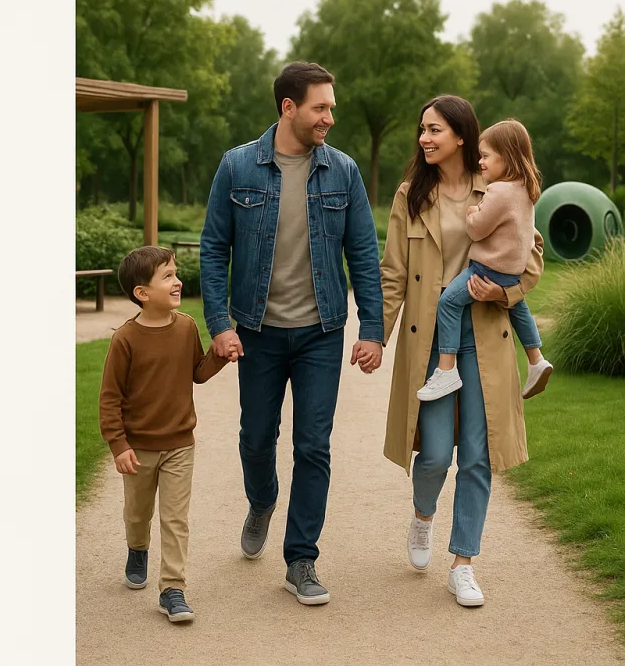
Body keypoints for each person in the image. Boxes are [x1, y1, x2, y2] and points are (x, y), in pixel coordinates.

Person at [199, 61, 384, 606]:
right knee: (256, 439)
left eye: (331, 106)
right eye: (320, 107)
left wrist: (370, 328)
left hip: (321, 333)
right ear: (288, 108)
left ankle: (301, 558)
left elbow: (364, 255)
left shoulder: (343, 171)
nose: (330, 116)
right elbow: (214, 247)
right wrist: (218, 325)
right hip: (256, 331)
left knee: (313, 445)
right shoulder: (237, 167)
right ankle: (262, 500)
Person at [380, 96, 544, 608]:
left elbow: (531, 259)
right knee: (431, 454)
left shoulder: (498, 186)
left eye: (434, 130)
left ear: (460, 135)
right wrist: (373, 335)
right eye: (422, 130)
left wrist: (505, 293)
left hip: (485, 342)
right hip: (429, 343)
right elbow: (392, 276)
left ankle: (464, 563)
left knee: (476, 457)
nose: (425, 138)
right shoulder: (410, 195)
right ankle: (423, 516)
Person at [98, 245, 231, 624]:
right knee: (138, 513)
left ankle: (172, 589)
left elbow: (198, 373)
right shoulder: (124, 340)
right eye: (168, 276)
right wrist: (118, 445)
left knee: (175, 519)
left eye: (176, 273)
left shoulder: (186, 326)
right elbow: (109, 399)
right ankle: (137, 548)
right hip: (138, 448)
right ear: (142, 293)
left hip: (179, 445)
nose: (179, 281)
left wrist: (221, 355)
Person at [417, 119, 553, 402]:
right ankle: (536, 358)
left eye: (486, 156)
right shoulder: (525, 191)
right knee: (517, 306)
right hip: (511, 273)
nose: (481, 162)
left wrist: (471, 212)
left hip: (485, 270)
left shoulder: (499, 191)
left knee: (448, 304)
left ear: (507, 155)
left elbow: (477, 229)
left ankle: (446, 370)